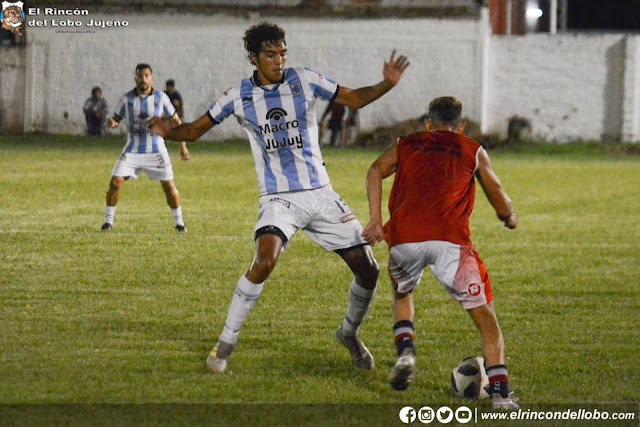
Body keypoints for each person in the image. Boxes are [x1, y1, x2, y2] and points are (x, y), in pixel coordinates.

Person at [149, 22, 409, 374]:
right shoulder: (238, 95)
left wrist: (386, 84)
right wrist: (168, 132)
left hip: (320, 193)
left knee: (369, 270)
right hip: (278, 198)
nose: (279, 60)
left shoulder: (304, 80)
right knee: (265, 261)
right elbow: (195, 130)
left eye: (282, 52)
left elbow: (353, 98)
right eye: (270, 54)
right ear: (253, 58)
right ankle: (225, 345)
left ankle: (348, 334)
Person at [362, 96, 519, 409]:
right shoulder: (470, 148)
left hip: (404, 240)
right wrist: (509, 218)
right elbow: (498, 196)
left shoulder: (406, 143)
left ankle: (406, 353)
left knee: (402, 292)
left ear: (428, 123)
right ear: (460, 126)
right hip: (450, 244)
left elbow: (375, 170)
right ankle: (500, 395)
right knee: (486, 318)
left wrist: (376, 220)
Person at [102, 63, 190, 232]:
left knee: (169, 186)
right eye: (140, 76)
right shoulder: (126, 99)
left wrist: (183, 146)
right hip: (132, 150)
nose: (143, 79)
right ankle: (108, 222)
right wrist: (111, 123)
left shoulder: (161, 98)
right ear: (135, 78)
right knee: (115, 183)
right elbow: (115, 119)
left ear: (152, 78)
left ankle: (179, 223)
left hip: (156, 150)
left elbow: (176, 122)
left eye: (146, 75)